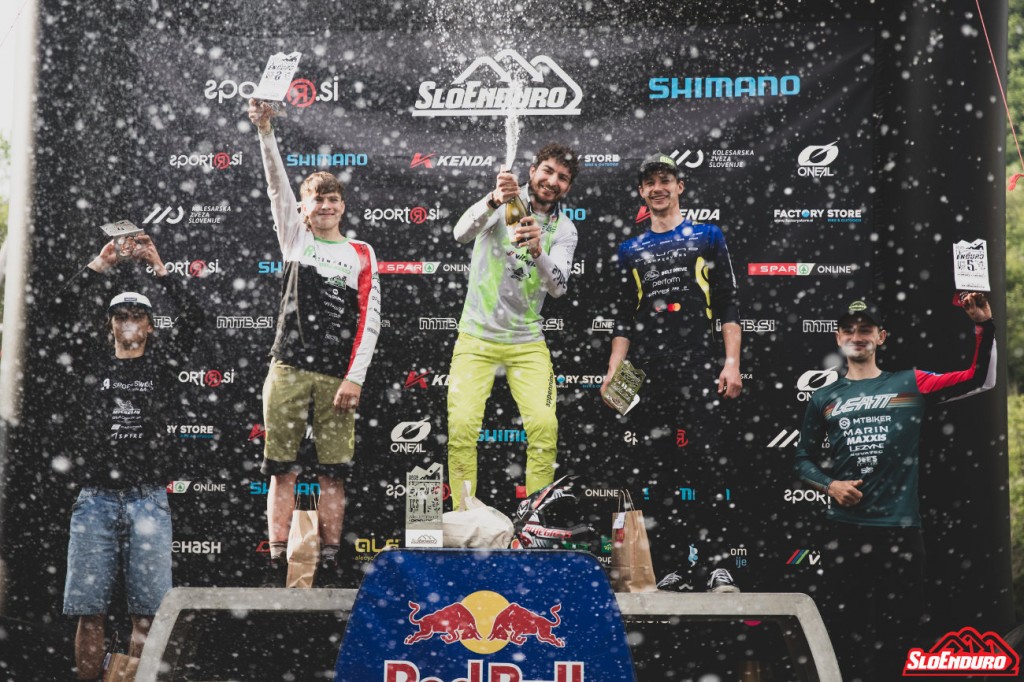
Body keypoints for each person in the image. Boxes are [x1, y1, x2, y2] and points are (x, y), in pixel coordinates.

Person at [793, 295, 996, 681]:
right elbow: (801, 460)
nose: (857, 335)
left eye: (866, 329)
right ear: (838, 338)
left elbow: (979, 377)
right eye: (848, 329)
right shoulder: (823, 397)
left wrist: (983, 327)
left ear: (880, 337)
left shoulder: (910, 381)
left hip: (899, 531)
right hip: (845, 532)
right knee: (844, 633)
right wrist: (830, 485)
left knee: (902, 635)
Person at [248, 99, 382, 587]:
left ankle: (330, 561)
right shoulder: (295, 239)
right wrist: (265, 131)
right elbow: (275, 185)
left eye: (332, 199)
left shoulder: (361, 252)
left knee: (333, 474)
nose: (324, 206)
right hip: (287, 367)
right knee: (281, 470)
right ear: (303, 208)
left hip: (335, 377)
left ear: (342, 207)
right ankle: (277, 560)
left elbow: (370, 321)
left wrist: (354, 378)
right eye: (315, 199)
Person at [58, 234, 204, 681]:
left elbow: (195, 318)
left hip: (147, 501)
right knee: (89, 614)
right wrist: (100, 263)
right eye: (120, 316)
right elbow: (58, 310)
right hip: (95, 501)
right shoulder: (91, 362)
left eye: (137, 316)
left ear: (149, 326)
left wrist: (159, 266)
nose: (128, 322)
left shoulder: (163, 364)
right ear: (110, 325)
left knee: (147, 615)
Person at [601, 153, 742, 592]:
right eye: (650, 183)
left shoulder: (707, 236)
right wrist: (614, 370)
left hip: (698, 366)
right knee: (655, 473)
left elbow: (728, 304)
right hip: (648, 374)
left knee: (707, 465)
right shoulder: (630, 250)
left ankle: (718, 564)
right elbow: (623, 318)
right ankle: (672, 568)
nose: (658, 188)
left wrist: (732, 362)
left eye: (665, 180)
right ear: (642, 193)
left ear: (679, 186)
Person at [447, 145, 580, 509]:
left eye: (562, 178)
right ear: (532, 170)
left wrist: (538, 251)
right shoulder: (504, 202)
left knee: (545, 428)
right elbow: (460, 233)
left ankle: (534, 521)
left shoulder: (565, 229)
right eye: (547, 171)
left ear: (568, 187)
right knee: (461, 428)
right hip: (477, 337)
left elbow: (559, 287)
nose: (552, 181)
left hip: (526, 342)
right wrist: (493, 199)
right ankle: (465, 515)